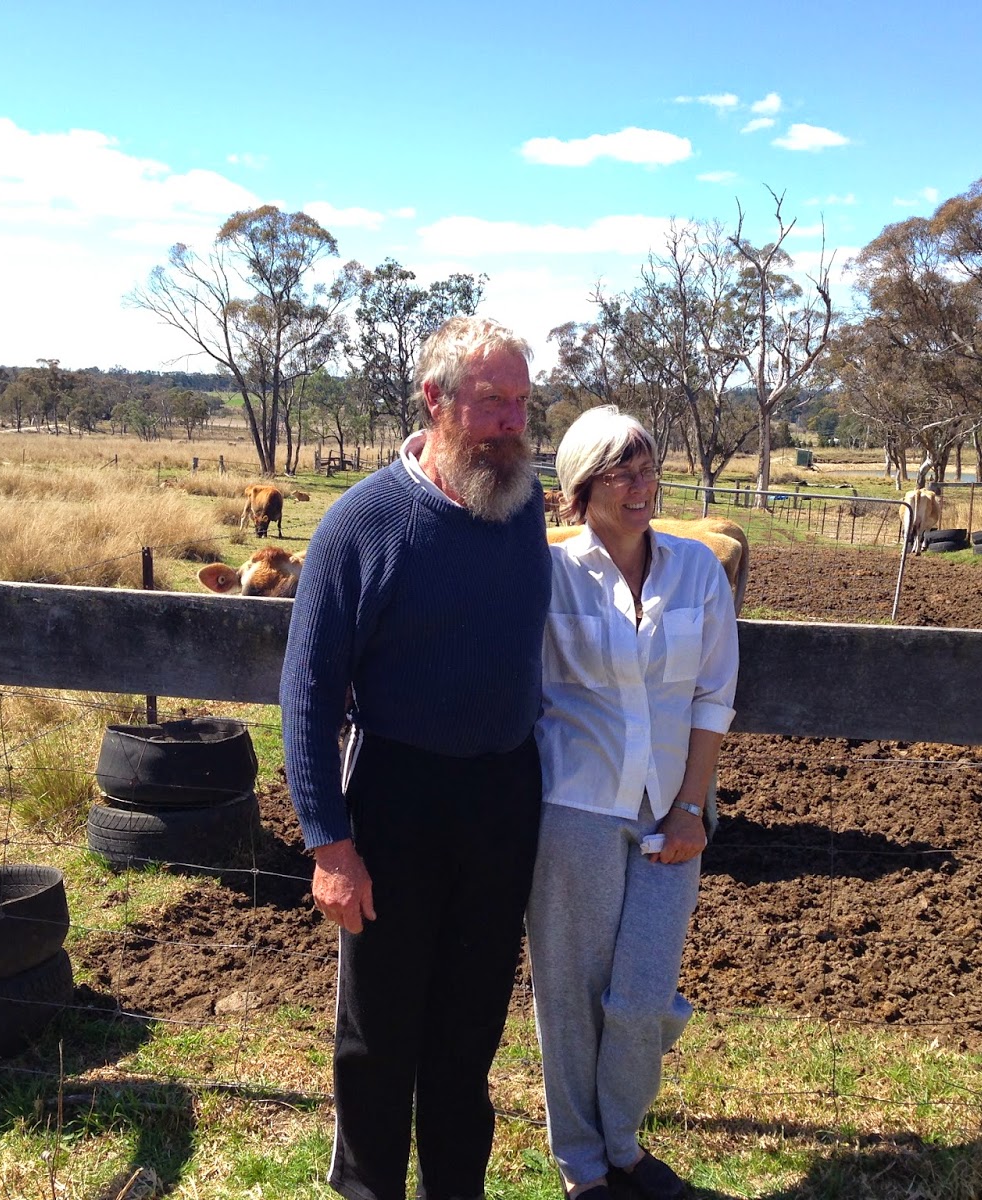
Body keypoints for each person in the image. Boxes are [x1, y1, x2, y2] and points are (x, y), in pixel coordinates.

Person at [280, 316, 551, 1200]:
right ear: (435, 401)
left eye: (520, 401)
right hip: (399, 798)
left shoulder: (523, 504)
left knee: (470, 1030)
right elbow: (309, 695)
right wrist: (329, 843)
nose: (511, 421)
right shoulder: (363, 523)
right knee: (379, 1032)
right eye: (489, 402)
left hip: (504, 797)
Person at [528, 406, 738, 1200]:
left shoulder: (697, 570)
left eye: (649, 468)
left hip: (668, 814)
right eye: (621, 471)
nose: (642, 486)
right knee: (571, 995)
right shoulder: (547, 575)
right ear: (583, 486)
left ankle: (623, 1138)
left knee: (643, 992)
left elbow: (713, 697)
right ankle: (586, 1163)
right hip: (573, 808)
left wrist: (692, 807)